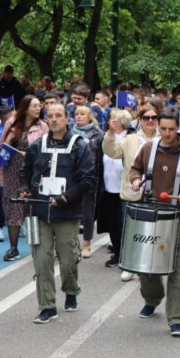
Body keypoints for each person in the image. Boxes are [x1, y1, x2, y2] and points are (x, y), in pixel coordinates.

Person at [128, 108, 180, 337]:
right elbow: (135, 169)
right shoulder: (148, 148)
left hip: (176, 216)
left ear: (178, 129)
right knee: (145, 266)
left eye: (172, 129)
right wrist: (135, 181)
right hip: (150, 213)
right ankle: (152, 298)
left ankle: (176, 318)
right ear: (158, 127)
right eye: (163, 129)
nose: (168, 133)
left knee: (175, 269)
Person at [19, 103, 95, 323]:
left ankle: (71, 290)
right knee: (41, 260)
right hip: (40, 212)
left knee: (68, 262)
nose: (54, 119)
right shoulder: (37, 146)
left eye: (58, 116)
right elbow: (26, 171)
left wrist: (66, 197)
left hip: (67, 214)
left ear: (66, 118)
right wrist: (25, 188)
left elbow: (87, 179)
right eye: (50, 116)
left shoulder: (79, 146)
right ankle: (47, 306)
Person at [101, 103, 161, 280]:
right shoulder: (130, 139)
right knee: (131, 230)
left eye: (153, 117)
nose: (150, 121)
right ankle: (130, 265)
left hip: (158, 193)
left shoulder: (166, 138)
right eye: (146, 118)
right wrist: (110, 134)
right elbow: (112, 151)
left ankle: (152, 264)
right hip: (133, 192)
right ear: (140, 120)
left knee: (154, 230)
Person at [0, 95, 48, 261]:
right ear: (25, 108)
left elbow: (46, 150)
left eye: (39, 106)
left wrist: (32, 155)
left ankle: (36, 247)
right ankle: (13, 248)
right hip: (12, 171)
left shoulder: (43, 126)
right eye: (34, 106)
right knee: (13, 208)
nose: (38, 108)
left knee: (31, 208)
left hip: (33, 172)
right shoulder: (12, 124)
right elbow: (1, 146)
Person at [98, 109, 133, 269]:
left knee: (124, 222)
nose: (111, 122)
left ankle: (127, 254)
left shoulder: (130, 137)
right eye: (110, 119)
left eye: (115, 119)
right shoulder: (106, 137)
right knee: (112, 222)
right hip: (109, 187)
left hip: (125, 187)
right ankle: (117, 251)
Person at [72, 105, 105, 259]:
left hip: (90, 177)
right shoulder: (68, 132)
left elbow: (101, 158)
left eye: (82, 114)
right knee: (70, 211)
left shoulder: (98, 134)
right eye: (76, 114)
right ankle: (71, 244)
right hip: (71, 176)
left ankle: (86, 244)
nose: (79, 116)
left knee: (87, 213)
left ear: (90, 117)